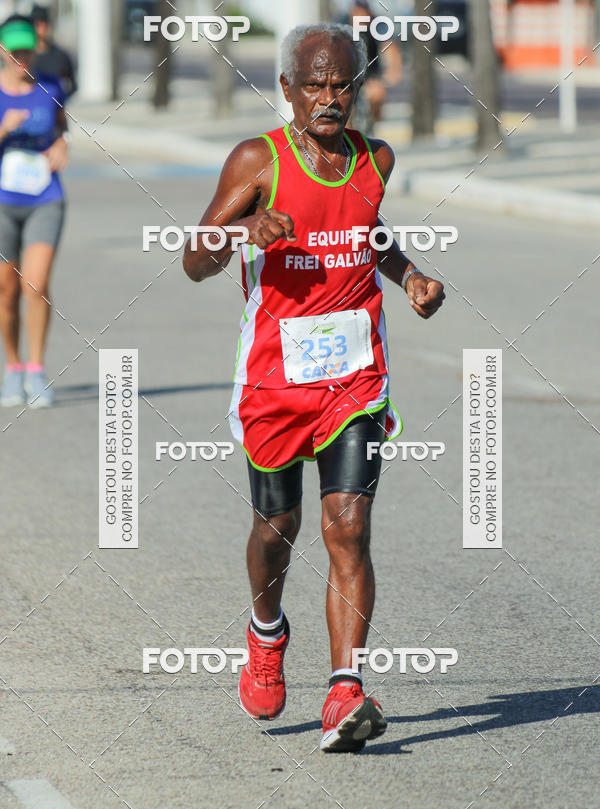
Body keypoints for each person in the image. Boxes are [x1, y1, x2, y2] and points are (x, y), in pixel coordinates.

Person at [183, 24, 444, 752]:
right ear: (289, 90)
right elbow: (191, 260)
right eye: (316, 86)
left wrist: (409, 274)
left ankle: (344, 691)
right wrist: (243, 231)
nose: (330, 98)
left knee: (349, 527)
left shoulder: (375, 158)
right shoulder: (255, 160)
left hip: (354, 377)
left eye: (343, 86)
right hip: (275, 380)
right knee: (277, 530)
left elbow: (368, 228)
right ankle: (267, 631)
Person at [0, 14, 70, 408]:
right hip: (2, 202)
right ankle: (12, 368)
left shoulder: (50, 87)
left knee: (35, 285)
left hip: (46, 197)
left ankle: (36, 369)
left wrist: (63, 146)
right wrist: (3, 130)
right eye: (14, 50)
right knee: (6, 291)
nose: (21, 56)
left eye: (26, 48)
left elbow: (62, 129)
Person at [347, 0, 402, 129]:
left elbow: (390, 46)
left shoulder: (378, 25)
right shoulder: (343, 24)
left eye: (364, 14)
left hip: (371, 73)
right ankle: (347, 139)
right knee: (346, 106)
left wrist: (394, 70)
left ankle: (374, 124)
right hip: (348, 75)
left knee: (378, 94)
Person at [31, 4, 76, 99]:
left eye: (45, 24)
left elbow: (73, 85)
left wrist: (59, 99)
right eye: (38, 25)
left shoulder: (61, 56)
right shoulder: (25, 58)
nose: (42, 29)